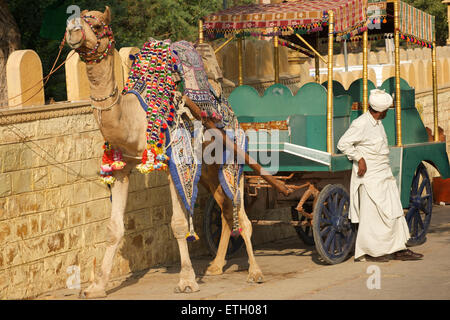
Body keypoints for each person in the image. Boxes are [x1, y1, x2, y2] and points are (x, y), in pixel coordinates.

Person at [337, 89, 423, 262]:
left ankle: (399, 248)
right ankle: (371, 252)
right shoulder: (361, 123)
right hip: (370, 178)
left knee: (394, 212)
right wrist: (359, 158)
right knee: (373, 217)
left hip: (384, 174)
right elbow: (343, 143)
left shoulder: (377, 123)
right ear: (381, 111)